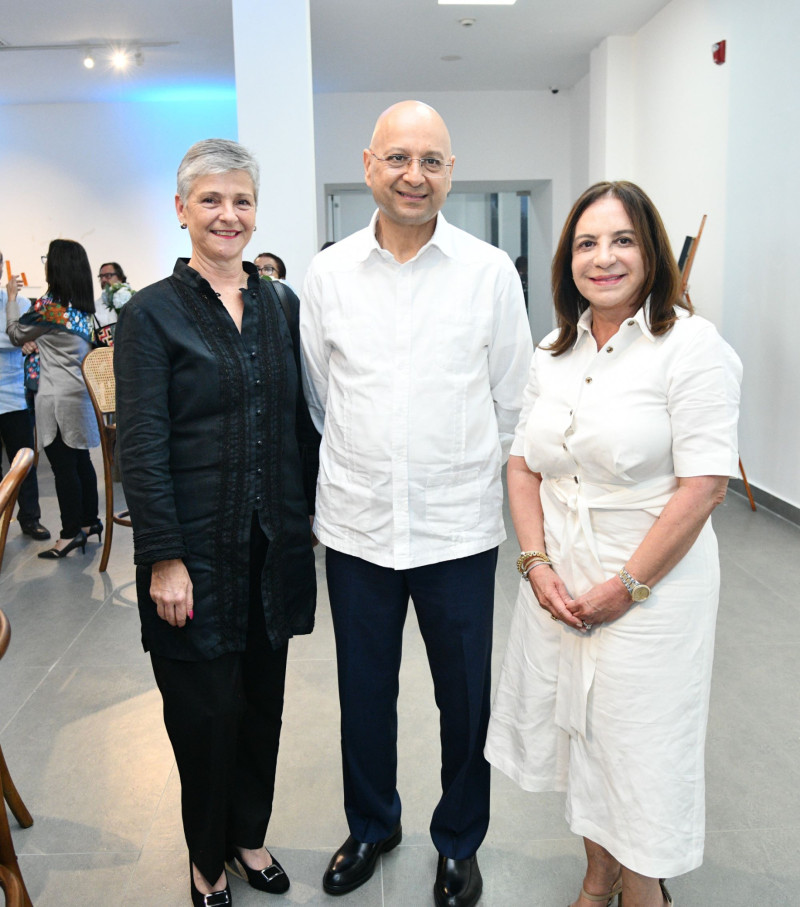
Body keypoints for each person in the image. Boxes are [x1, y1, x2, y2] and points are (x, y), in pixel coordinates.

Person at [484, 181, 742, 907]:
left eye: (623, 240)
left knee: (639, 746)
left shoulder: (690, 346)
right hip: (562, 579)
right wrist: (535, 565)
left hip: (653, 586)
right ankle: (598, 872)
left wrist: (626, 586)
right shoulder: (554, 349)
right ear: (568, 259)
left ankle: (645, 886)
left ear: (652, 252)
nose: (604, 258)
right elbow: (521, 462)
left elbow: (705, 486)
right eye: (588, 243)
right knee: (582, 734)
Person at [301, 100, 532, 907]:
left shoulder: (490, 273)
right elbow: (323, 399)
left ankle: (459, 840)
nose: (414, 175)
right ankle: (371, 823)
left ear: (450, 172)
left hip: (457, 531)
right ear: (369, 164)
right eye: (398, 158)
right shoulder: (327, 275)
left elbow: (513, 403)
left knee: (464, 699)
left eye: (431, 160)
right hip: (359, 527)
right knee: (364, 692)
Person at [114, 138, 319, 907]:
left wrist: (311, 520)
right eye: (210, 200)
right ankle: (205, 860)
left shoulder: (279, 303)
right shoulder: (149, 316)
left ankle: (247, 834)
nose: (227, 215)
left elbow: (298, 422)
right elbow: (143, 444)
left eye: (240, 201)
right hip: (192, 559)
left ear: (255, 211)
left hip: (271, 552)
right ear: (181, 211)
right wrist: (163, 558)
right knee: (203, 719)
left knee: (261, 707)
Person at [5, 239, 101, 559]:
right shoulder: (82, 306)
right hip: (80, 396)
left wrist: (12, 297)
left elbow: (16, 334)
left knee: (63, 468)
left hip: (57, 397)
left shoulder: (50, 307)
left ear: (56, 265)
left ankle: (69, 534)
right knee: (81, 461)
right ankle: (90, 522)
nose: (44, 262)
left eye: (47, 257)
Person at [0, 249, 50, 540]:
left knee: (24, 460)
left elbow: (41, 332)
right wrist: (19, 341)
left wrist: (28, 339)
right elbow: (14, 336)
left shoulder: (18, 301)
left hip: (16, 394)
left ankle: (29, 519)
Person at [94, 261, 135, 332]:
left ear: (120, 278)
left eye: (108, 275)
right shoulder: (94, 307)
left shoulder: (133, 299)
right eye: (101, 276)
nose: (103, 280)